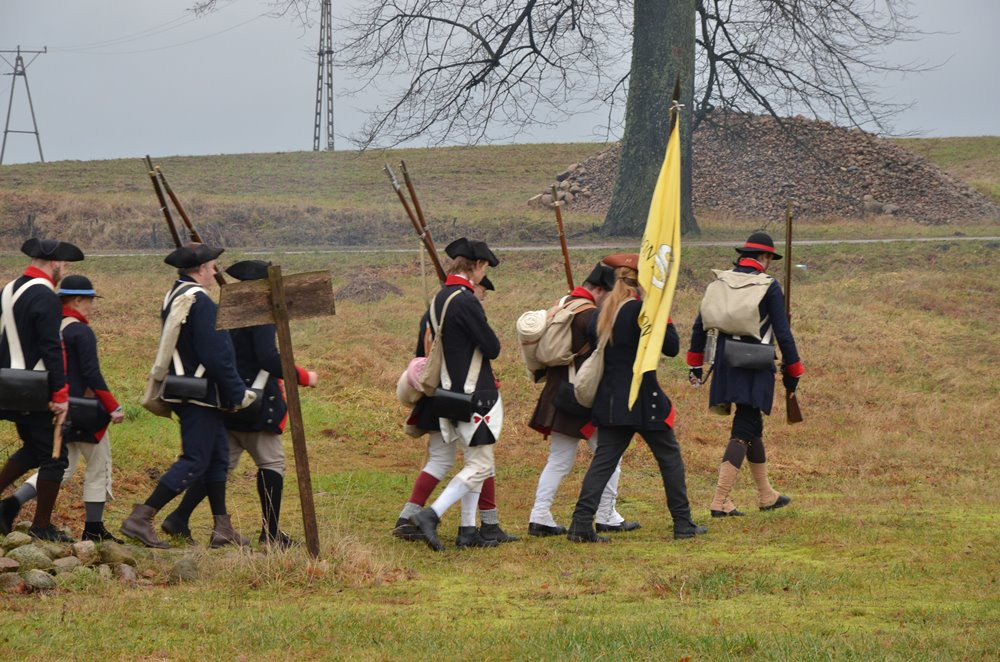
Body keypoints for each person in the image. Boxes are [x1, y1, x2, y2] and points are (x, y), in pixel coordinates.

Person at [157, 260, 319, 549]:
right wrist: (304, 376)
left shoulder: (228, 312)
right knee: (272, 464)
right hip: (255, 402)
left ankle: (179, 516)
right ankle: (270, 533)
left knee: (221, 465)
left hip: (228, 398)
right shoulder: (260, 315)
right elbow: (268, 358)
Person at [120, 243, 255, 549]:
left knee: (218, 457)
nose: (214, 271)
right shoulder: (200, 302)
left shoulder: (176, 294)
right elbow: (217, 354)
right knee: (195, 459)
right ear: (199, 269)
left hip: (188, 388)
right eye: (211, 266)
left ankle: (223, 528)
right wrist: (236, 393)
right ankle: (141, 517)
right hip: (199, 393)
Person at [567, 253, 706, 543]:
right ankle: (683, 524)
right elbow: (670, 347)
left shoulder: (605, 312)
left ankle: (581, 524)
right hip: (643, 398)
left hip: (612, 400)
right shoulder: (643, 310)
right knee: (670, 459)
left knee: (603, 462)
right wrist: (661, 312)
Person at [392, 274, 517, 549]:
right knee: (467, 461)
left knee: (468, 460)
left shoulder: (438, 307)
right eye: (481, 291)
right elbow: (485, 348)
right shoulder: (458, 307)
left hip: (444, 393)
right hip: (452, 393)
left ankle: (470, 526)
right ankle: (434, 519)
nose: (480, 298)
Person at [687, 232, 803, 517]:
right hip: (755, 362)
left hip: (725, 361)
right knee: (743, 428)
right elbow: (783, 333)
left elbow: (699, 324)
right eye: (769, 259)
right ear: (764, 258)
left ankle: (766, 494)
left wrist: (695, 363)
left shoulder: (720, 281)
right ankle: (720, 499)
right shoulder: (769, 286)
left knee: (752, 428)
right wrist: (794, 367)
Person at [3, 275, 126, 542]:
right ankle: (93, 528)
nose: (92, 306)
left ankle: (12, 503)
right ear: (77, 299)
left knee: (60, 466)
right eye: (90, 300)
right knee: (99, 465)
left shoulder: (50, 326)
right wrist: (113, 407)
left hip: (50, 411)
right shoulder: (81, 331)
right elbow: (92, 374)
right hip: (81, 410)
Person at [526, 262, 641, 536]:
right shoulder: (589, 315)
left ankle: (540, 515)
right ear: (600, 290)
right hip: (580, 396)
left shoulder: (565, 303)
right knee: (609, 455)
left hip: (560, 391)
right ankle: (606, 514)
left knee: (560, 460)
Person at [0, 239, 84, 541]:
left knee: (36, 448)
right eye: (65, 264)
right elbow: (51, 348)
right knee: (55, 457)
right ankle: (42, 526)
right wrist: (60, 395)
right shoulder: (46, 296)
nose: (65, 269)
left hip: (8, 382)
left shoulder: (7, 290)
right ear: (54, 263)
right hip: (35, 389)